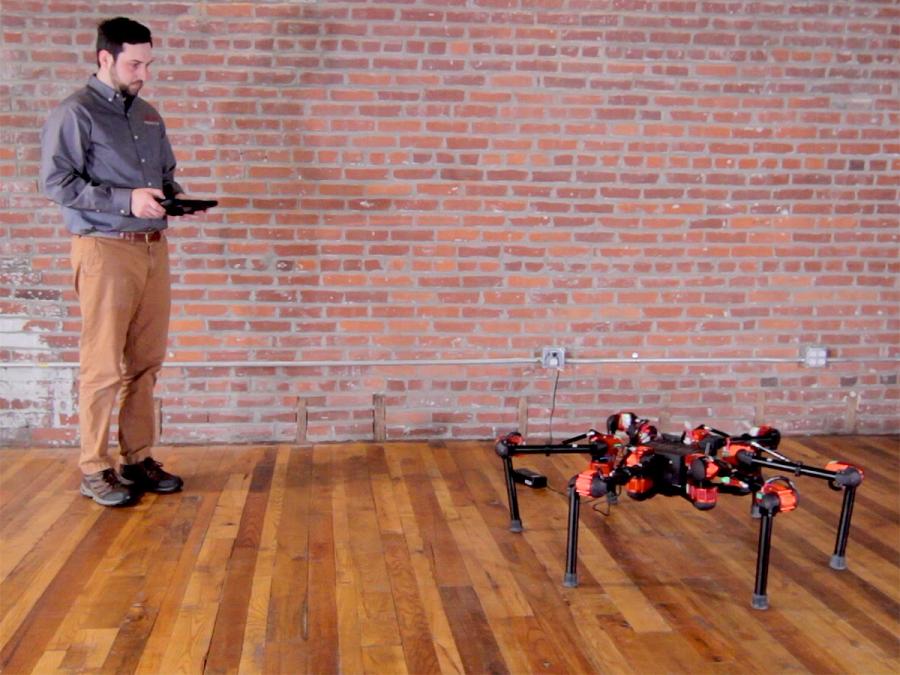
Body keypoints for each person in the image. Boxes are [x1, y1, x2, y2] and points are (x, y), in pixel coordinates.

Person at [40, 17, 204, 505]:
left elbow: (166, 173)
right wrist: (125, 200)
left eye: (148, 64)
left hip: (154, 249)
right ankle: (94, 467)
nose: (143, 74)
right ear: (104, 58)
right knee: (103, 365)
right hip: (104, 250)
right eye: (135, 64)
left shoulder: (149, 115)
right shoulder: (76, 113)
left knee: (146, 363)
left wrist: (173, 199)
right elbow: (55, 182)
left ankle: (136, 459)